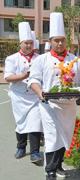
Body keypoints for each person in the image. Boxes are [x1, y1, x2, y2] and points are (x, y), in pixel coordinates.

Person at [28, 12, 80, 179]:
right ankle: (49, 170)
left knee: (65, 136)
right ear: (50, 41)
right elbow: (34, 81)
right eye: (56, 40)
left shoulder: (76, 61)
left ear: (66, 41)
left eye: (62, 40)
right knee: (52, 137)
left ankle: (58, 166)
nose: (59, 43)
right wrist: (40, 93)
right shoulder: (41, 60)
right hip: (49, 105)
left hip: (69, 106)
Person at [4, 22, 43, 164]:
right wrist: (25, 75)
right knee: (21, 123)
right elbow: (8, 77)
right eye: (26, 43)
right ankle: (21, 147)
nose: (28, 45)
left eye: (30, 43)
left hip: (34, 96)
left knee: (35, 123)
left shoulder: (40, 58)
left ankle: (35, 152)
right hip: (19, 97)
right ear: (21, 43)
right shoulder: (12, 58)